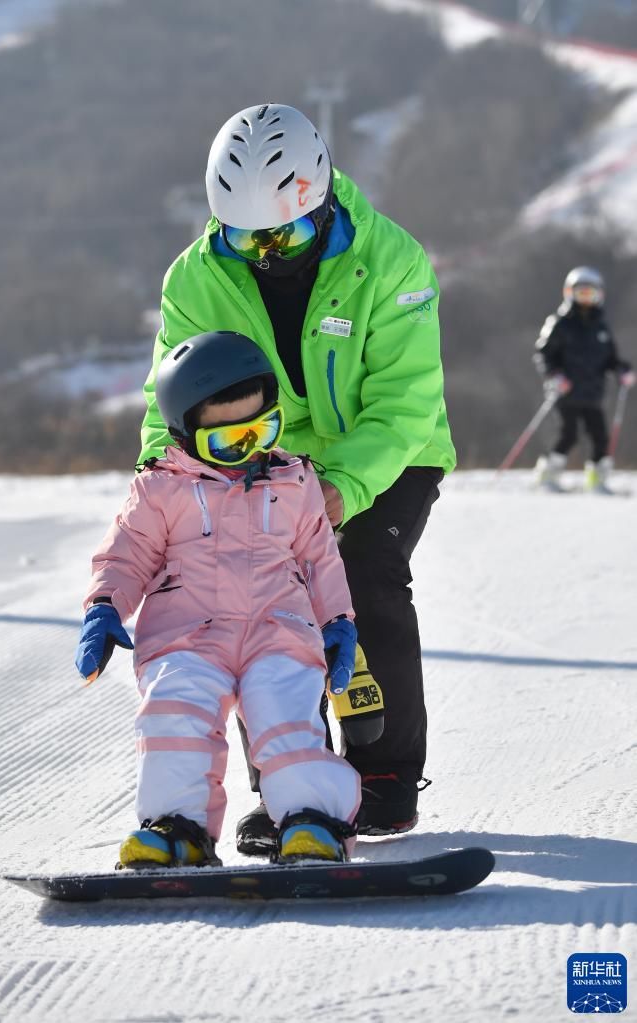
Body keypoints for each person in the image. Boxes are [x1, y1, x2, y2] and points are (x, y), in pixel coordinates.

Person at [139, 103, 456, 854]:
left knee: (362, 570)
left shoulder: (392, 260)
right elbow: (172, 401)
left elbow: (403, 402)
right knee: (250, 586)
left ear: (319, 200)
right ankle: (293, 786)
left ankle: (382, 776)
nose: (270, 253)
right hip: (262, 453)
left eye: (287, 233)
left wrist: (341, 486)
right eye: (248, 238)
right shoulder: (195, 278)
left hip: (385, 451)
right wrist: (162, 491)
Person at [75, 330, 361, 868]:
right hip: (187, 634)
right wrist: (105, 605)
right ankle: (177, 827)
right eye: (229, 442)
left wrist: (338, 622)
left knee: (287, 721)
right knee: (173, 718)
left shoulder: (295, 481)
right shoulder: (160, 488)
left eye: (263, 430)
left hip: (277, 629)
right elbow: (126, 553)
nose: (250, 450)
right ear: (186, 437)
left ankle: (312, 820)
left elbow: (321, 560)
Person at [534, 266, 634, 491]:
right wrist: (555, 375)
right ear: (569, 293)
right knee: (568, 434)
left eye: (591, 294)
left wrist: (622, 370)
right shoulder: (560, 323)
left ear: (600, 295)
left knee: (600, 437)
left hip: (593, 392)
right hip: (565, 391)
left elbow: (611, 358)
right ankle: (548, 475)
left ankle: (597, 480)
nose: (586, 299)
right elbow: (544, 354)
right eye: (581, 293)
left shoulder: (601, 327)